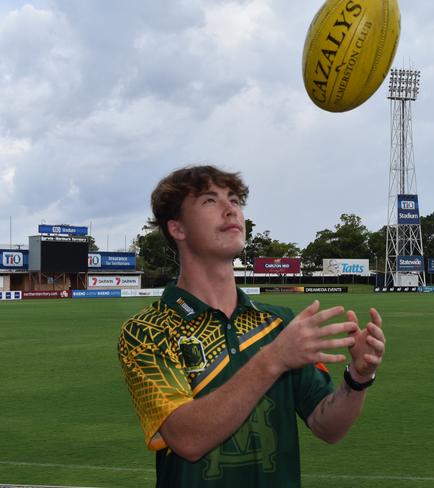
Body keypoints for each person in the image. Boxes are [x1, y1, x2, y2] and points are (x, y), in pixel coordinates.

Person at [118, 165, 386, 487]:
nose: (231, 209)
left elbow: (327, 427)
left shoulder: (278, 323)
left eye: (234, 200)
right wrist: (274, 359)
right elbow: (186, 440)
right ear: (177, 228)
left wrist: (358, 378)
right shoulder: (148, 330)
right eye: (209, 201)